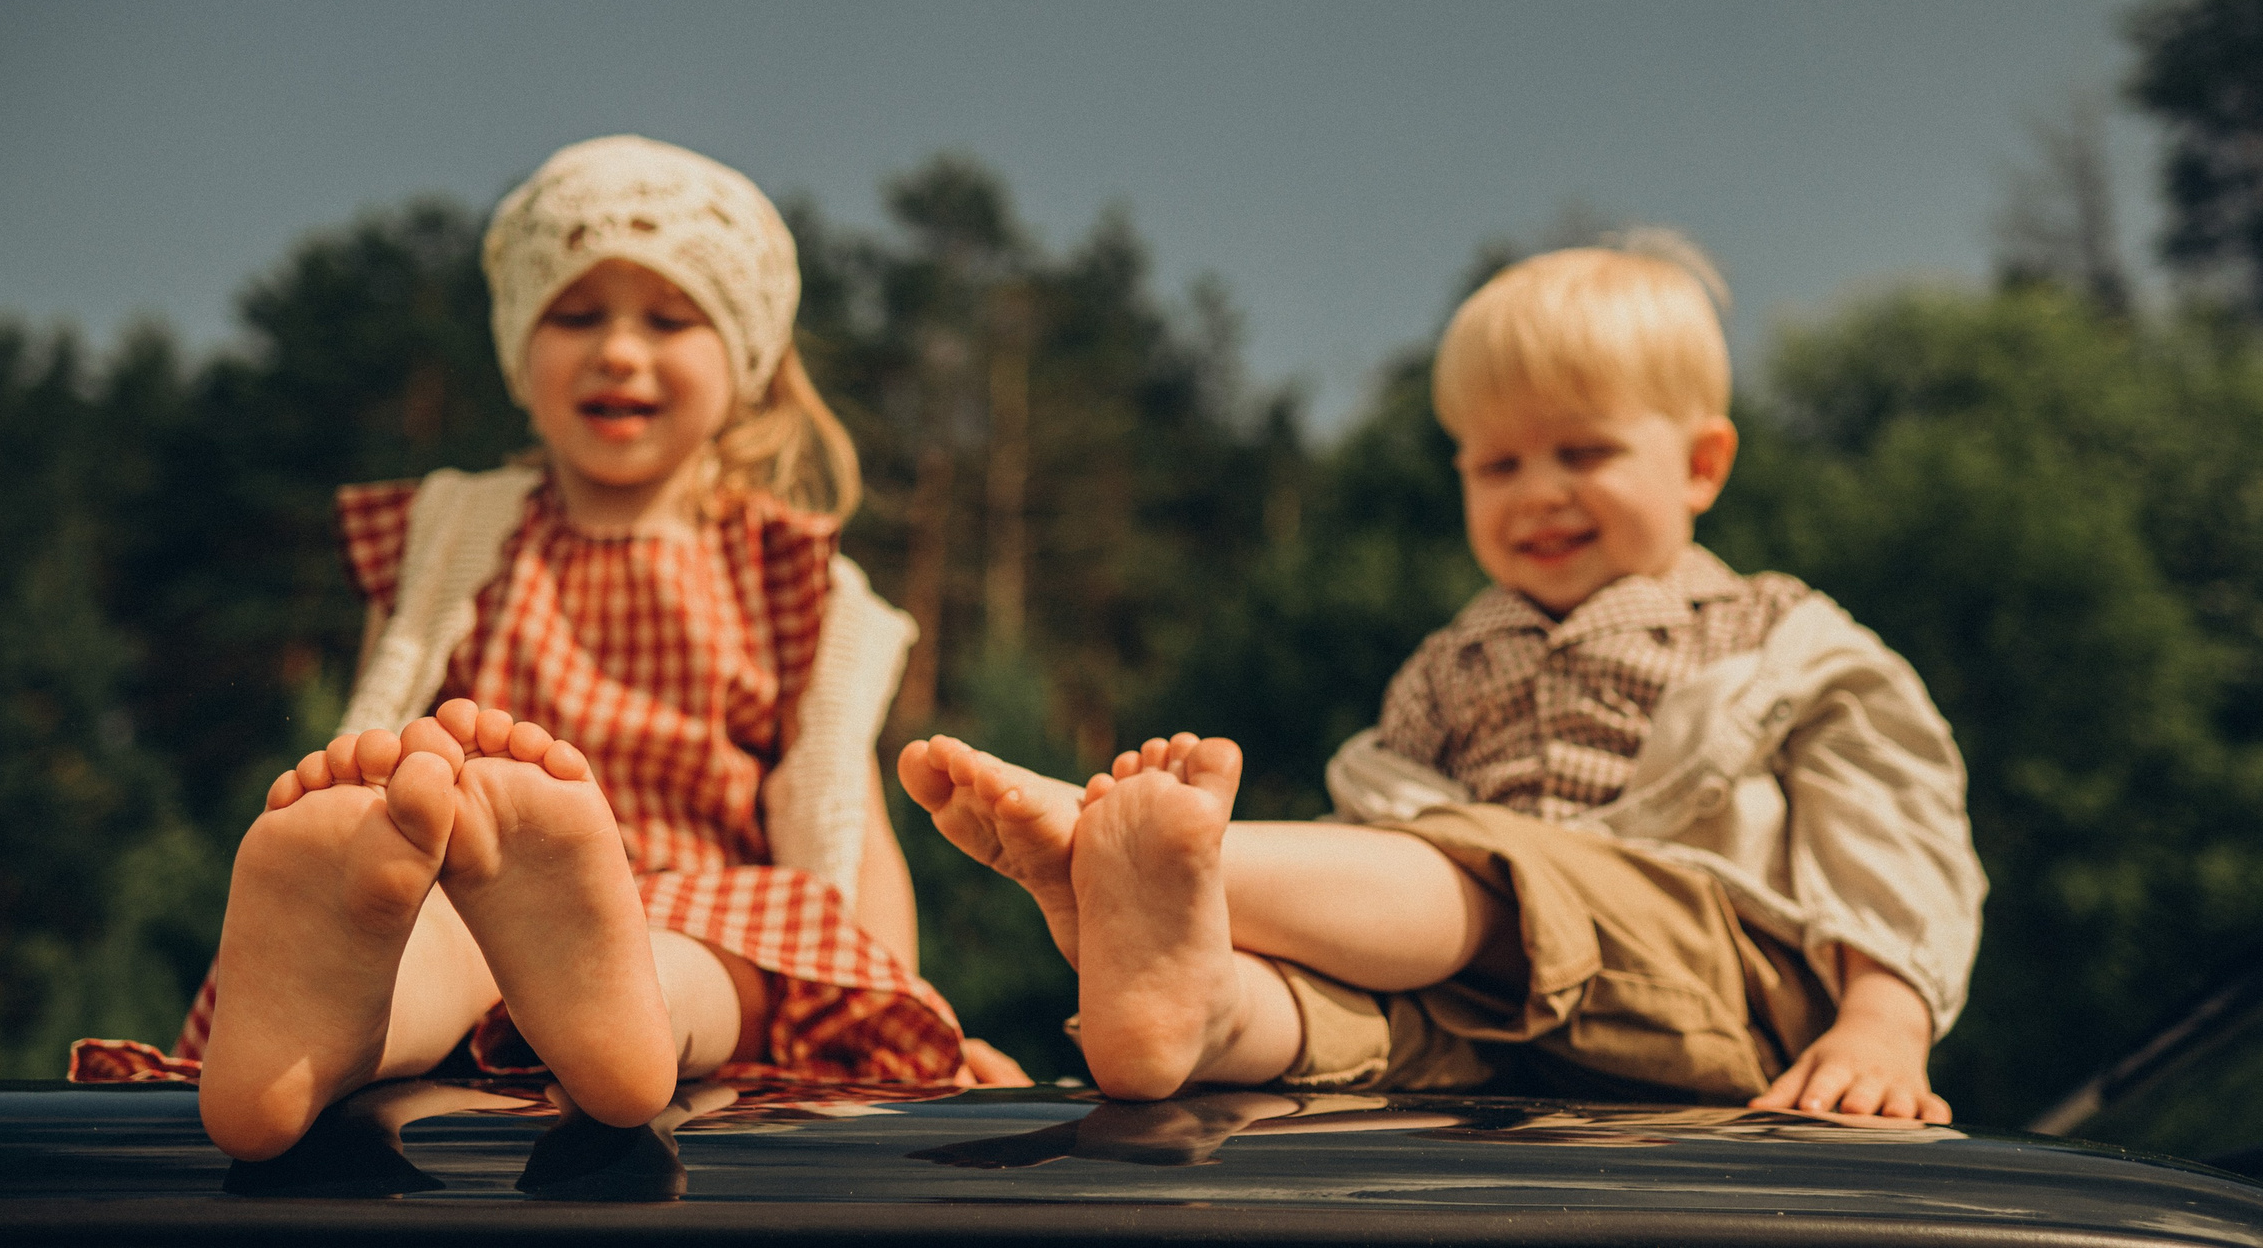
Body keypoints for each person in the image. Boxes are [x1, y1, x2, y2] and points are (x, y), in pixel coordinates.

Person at [902, 235, 1984, 1120]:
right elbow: (1367, 870)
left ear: (1700, 464)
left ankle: (1168, 860)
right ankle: (1204, 1000)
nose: (1537, 492)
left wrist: (1881, 1021)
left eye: (1583, 452)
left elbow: (1890, 830)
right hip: (1503, 1030)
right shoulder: (1450, 663)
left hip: (1716, 983)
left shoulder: (1773, 635)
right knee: (1361, 1008)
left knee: (1478, 871)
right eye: (1498, 463)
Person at [186, 135, 1009, 1163]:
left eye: (668, 318)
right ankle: (339, 1020)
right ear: (520, 354)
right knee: (428, 937)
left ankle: (613, 1017)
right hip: (476, 883)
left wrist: (903, 1008)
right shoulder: (452, 535)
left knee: (692, 966)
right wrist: (368, 825)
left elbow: (845, 814)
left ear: (747, 364)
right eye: (575, 315)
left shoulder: (790, 572)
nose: (618, 349)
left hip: (711, 906)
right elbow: (386, 713)